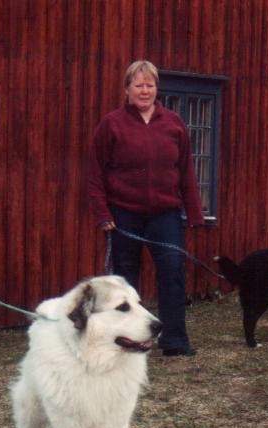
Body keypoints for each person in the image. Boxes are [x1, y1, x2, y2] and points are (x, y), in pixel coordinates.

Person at [87, 59, 205, 356]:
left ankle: (175, 341)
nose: (144, 91)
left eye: (149, 85)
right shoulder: (111, 124)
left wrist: (195, 214)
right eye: (138, 85)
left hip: (165, 215)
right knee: (126, 282)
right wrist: (103, 214)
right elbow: (95, 174)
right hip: (123, 214)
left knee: (173, 272)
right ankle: (130, 341)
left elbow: (186, 171)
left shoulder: (174, 123)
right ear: (127, 89)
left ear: (156, 88)